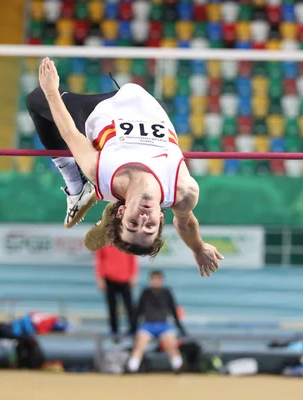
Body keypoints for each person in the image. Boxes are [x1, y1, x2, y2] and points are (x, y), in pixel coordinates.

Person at [28, 57, 222, 276]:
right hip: (152, 106)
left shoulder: (102, 174)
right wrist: (198, 248)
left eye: (132, 223)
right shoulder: (182, 190)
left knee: (36, 99)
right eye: (149, 227)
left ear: (122, 212)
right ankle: (109, 207)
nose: (143, 219)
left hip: (102, 108)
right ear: (160, 218)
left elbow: (71, 134)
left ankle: (77, 188)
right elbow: (186, 223)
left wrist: (51, 90)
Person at [126, 270, 186, 374]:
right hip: (148, 325)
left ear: (162, 280)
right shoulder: (145, 292)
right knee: (140, 344)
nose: (156, 281)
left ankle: (178, 366)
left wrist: (180, 328)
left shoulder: (167, 292)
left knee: (171, 344)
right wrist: (133, 328)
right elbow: (138, 312)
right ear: (150, 280)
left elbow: (173, 311)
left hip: (163, 325)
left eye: (158, 279)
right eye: (154, 279)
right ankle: (132, 367)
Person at [95, 244, 138, 336]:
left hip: (125, 277)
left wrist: (134, 275)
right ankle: (114, 330)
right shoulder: (103, 241)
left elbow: (132, 259)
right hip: (109, 278)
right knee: (112, 306)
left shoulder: (127, 240)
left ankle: (133, 329)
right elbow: (99, 260)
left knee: (129, 306)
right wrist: (100, 278)